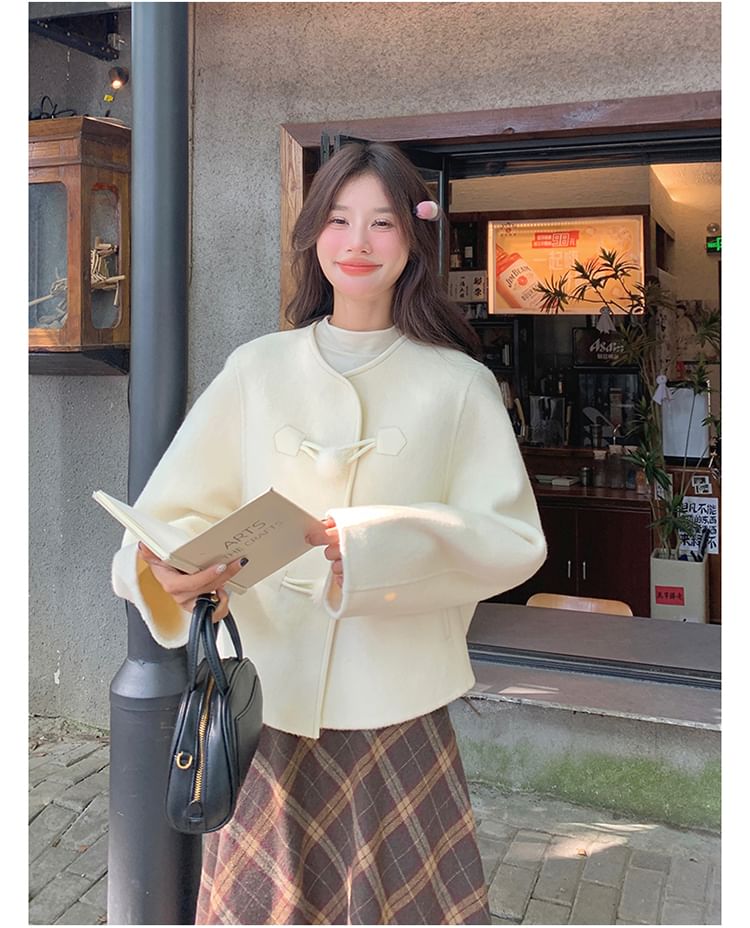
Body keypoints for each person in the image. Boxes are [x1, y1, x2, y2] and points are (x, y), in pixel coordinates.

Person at [111, 141, 546, 925]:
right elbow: (175, 508)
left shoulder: (458, 384)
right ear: (313, 233)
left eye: (382, 222)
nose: (358, 242)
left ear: (412, 238)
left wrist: (373, 546)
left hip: (399, 701)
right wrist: (168, 568)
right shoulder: (257, 368)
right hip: (269, 701)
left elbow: (512, 538)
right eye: (339, 220)